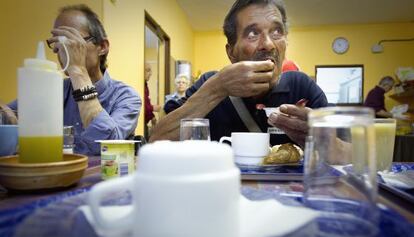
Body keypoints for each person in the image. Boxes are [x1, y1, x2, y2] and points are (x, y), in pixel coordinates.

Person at [153, 0, 327, 147]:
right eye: (252, 33)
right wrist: (217, 89)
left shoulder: (302, 87)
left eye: (276, 32)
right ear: (231, 53)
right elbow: (156, 143)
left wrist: (323, 142)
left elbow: (348, 152)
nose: (268, 44)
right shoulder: (210, 83)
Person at [4, 4, 141, 155]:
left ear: (102, 46)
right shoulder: (53, 90)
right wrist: (6, 115)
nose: (58, 49)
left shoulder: (127, 97)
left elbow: (105, 147)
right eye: (56, 42)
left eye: (70, 41)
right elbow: (7, 112)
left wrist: (78, 71)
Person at [144, 62, 161, 138]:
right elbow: (143, 105)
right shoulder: (141, 86)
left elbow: (147, 103)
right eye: (148, 70)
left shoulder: (145, 85)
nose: (150, 73)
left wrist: (152, 116)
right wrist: (152, 108)